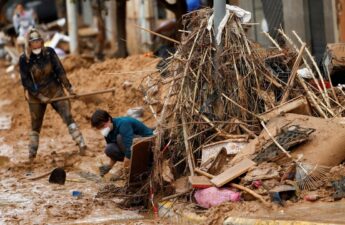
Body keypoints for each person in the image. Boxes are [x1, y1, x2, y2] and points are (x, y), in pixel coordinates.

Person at [19, 28, 87, 161]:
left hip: (55, 89)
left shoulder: (49, 53)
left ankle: (82, 145)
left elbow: (59, 71)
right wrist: (39, 96)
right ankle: (32, 155)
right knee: (36, 124)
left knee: (68, 116)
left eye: (39, 40)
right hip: (36, 94)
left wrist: (69, 88)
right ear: (29, 43)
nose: (37, 43)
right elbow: (25, 81)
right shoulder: (24, 59)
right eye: (34, 41)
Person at [90, 109, 153, 177]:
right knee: (109, 149)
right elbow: (115, 150)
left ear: (109, 119)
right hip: (133, 148)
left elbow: (129, 148)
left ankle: (143, 165)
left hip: (149, 144)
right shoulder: (107, 132)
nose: (102, 129)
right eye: (99, 128)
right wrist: (109, 166)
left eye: (103, 126)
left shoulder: (123, 123)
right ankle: (134, 165)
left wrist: (123, 171)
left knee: (120, 138)